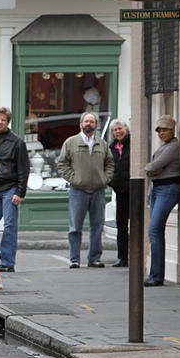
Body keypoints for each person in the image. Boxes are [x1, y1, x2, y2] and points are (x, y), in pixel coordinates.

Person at [57, 112, 114, 269]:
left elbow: (110, 164)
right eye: (86, 121)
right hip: (78, 191)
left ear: (96, 125)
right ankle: (74, 259)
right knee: (75, 227)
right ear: (81, 124)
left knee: (97, 226)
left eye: (92, 121)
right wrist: (75, 179)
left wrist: (105, 179)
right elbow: (62, 164)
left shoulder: (102, 144)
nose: (89, 124)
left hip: (98, 190)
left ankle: (94, 258)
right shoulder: (71, 142)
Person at [0, 107, 29, 273]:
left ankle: (7, 262)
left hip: (10, 188)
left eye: (3, 120)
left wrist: (20, 192)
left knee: (10, 226)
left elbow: (24, 169)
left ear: (7, 122)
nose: (0, 122)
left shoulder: (17, 142)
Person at [143, 115, 180, 287]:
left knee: (154, 231)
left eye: (165, 129)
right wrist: (154, 169)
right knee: (155, 232)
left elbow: (151, 167)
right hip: (157, 189)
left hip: (168, 189)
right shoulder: (164, 147)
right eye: (159, 130)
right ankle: (156, 274)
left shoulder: (173, 147)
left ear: (173, 130)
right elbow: (153, 169)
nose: (161, 133)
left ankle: (157, 275)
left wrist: (153, 169)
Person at [108, 120, 130, 267]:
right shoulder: (111, 147)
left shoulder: (134, 143)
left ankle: (137, 255)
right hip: (119, 191)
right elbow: (107, 167)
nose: (118, 132)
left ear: (126, 129)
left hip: (134, 189)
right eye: (115, 130)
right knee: (121, 225)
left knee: (136, 224)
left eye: (120, 128)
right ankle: (122, 257)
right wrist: (111, 182)